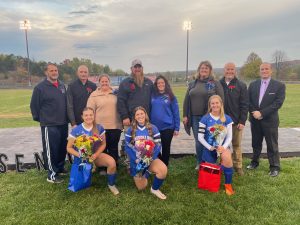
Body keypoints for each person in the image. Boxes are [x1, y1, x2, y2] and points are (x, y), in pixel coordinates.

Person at [66, 107, 119, 195]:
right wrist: (80, 155)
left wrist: (96, 154)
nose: (88, 117)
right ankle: (89, 170)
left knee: (112, 163)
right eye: (86, 115)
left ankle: (111, 185)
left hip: (96, 156)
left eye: (91, 115)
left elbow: (103, 144)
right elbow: (69, 148)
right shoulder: (76, 130)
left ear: (94, 116)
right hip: (82, 159)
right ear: (82, 117)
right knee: (79, 185)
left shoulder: (99, 128)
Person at [30, 63, 68, 183]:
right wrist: (43, 120)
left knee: (62, 147)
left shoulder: (62, 85)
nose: (54, 72)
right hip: (49, 124)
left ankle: (60, 168)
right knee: (51, 149)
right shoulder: (40, 88)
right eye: (51, 70)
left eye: (56, 70)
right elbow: (34, 106)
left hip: (63, 123)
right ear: (46, 72)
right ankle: (52, 174)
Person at [183, 60, 224, 169]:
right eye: (202, 68)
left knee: (212, 139)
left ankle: (212, 161)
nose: (204, 70)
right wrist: (185, 115)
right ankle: (200, 162)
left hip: (211, 117)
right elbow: (186, 101)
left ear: (210, 70)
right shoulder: (193, 83)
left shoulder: (215, 83)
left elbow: (221, 99)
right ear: (199, 70)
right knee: (199, 140)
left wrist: (220, 115)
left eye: (206, 68)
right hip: (196, 118)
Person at [247, 63, 286, 177]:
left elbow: (278, 103)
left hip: (270, 121)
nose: (264, 71)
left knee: (272, 144)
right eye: (262, 69)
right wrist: (254, 112)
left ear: (271, 71)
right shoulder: (253, 85)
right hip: (255, 120)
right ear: (260, 71)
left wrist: (262, 113)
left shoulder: (279, 85)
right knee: (256, 143)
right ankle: (254, 162)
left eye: (266, 69)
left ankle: (274, 167)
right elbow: (247, 100)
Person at [125, 107, 168, 200]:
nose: (140, 116)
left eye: (142, 113)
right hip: (136, 161)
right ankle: (141, 172)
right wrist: (135, 159)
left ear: (145, 114)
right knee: (142, 187)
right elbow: (127, 146)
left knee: (163, 170)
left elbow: (158, 145)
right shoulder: (131, 129)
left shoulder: (153, 127)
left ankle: (154, 188)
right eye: (137, 114)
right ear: (135, 117)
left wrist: (151, 157)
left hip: (150, 158)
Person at [198, 95, 235, 195]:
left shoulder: (226, 118)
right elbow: (200, 137)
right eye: (212, 103)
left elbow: (230, 137)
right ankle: (220, 168)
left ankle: (228, 184)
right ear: (210, 105)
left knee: (227, 158)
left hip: (223, 147)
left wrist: (223, 147)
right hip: (209, 148)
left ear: (221, 104)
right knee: (211, 169)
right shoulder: (204, 119)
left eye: (217, 103)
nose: (215, 105)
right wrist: (210, 147)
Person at [220, 62, 248, 176]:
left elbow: (245, 104)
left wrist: (242, 121)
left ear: (235, 71)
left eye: (232, 69)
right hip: (221, 122)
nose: (229, 71)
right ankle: (223, 164)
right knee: (221, 145)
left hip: (236, 122)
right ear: (224, 70)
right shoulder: (218, 84)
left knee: (236, 145)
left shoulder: (241, 85)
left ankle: (238, 166)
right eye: (227, 69)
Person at [87, 74, 122, 164]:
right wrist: (92, 126)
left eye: (106, 81)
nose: (104, 83)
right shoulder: (94, 95)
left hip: (115, 125)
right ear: (99, 83)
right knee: (101, 147)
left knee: (113, 147)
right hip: (100, 127)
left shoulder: (116, 93)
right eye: (102, 81)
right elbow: (90, 111)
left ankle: (114, 165)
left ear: (109, 82)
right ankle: (102, 167)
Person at [150, 75, 180, 166]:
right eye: (158, 83)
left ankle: (164, 166)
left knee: (166, 148)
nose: (160, 84)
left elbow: (176, 112)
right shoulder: (152, 95)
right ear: (156, 85)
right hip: (155, 128)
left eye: (162, 82)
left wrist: (177, 128)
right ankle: (158, 165)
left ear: (165, 84)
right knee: (155, 148)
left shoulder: (171, 96)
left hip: (168, 127)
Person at [117, 59, 153, 126]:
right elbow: (120, 101)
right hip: (131, 121)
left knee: (146, 137)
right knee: (131, 136)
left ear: (142, 68)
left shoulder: (149, 83)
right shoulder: (125, 83)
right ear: (131, 69)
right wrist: (124, 117)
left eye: (139, 67)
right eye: (135, 67)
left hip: (147, 120)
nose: (137, 69)